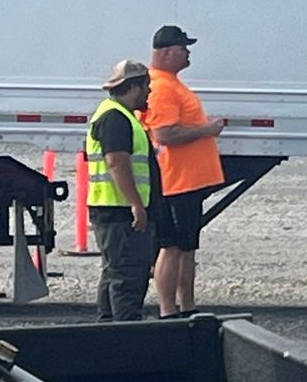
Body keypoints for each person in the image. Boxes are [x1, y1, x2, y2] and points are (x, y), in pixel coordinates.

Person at [144, 24, 226, 318]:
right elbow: (164, 134)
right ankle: (169, 309)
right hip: (175, 180)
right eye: (183, 48)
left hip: (185, 181)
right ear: (166, 52)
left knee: (185, 246)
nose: (187, 53)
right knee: (172, 246)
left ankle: (187, 305)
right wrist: (207, 130)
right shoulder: (163, 88)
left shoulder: (169, 83)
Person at [85, 59, 156, 321]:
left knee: (115, 272)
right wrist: (136, 204)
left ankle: (107, 329)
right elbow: (116, 162)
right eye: (147, 86)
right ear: (134, 87)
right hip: (119, 211)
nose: (149, 92)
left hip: (114, 209)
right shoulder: (115, 118)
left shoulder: (117, 115)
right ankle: (126, 334)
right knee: (127, 276)